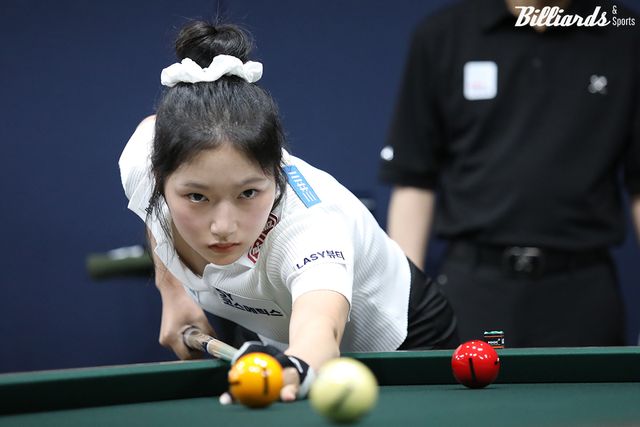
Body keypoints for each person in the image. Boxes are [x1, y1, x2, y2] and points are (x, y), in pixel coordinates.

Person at [119, 21, 458, 402]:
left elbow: (320, 325)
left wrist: (297, 363)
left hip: (404, 340)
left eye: (248, 193)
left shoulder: (311, 226)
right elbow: (153, 178)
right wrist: (174, 293)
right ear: (158, 178)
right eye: (197, 197)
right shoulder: (142, 164)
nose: (224, 226)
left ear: (277, 174)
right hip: (278, 330)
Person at [379, 0, 640, 347]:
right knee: (470, 383)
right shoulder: (443, 35)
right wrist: (403, 308)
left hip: (583, 295)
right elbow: (414, 182)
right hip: (478, 294)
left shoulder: (624, 35)